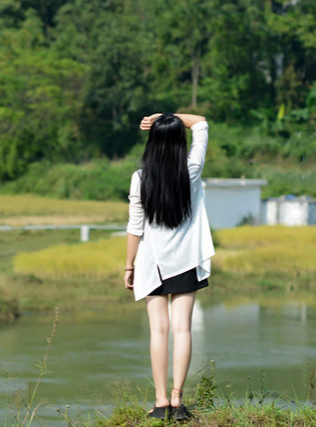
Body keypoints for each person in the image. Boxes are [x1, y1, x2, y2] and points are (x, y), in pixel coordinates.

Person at [124, 112, 215, 421]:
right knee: (182, 329)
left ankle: (160, 402)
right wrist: (171, 118)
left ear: (151, 142)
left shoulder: (140, 178)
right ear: (180, 142)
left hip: (153, 264)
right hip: (187, 261)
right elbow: (201, 123)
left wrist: (128, 266)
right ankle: (178, 400)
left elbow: (135, 227)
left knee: (158, 331)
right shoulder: (191, 169)